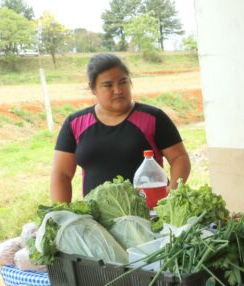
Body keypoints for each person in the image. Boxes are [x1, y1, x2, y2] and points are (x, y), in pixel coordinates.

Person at [51, 53, 190, 201]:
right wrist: (62, 212)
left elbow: (179, 158)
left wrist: (171, 193)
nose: (118, 90)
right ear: (93, 89)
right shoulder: (75, 123)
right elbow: (62, 174)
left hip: (149, 212)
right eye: (108, 85)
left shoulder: (153, 118)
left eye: (123, 82)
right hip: (95, 214)